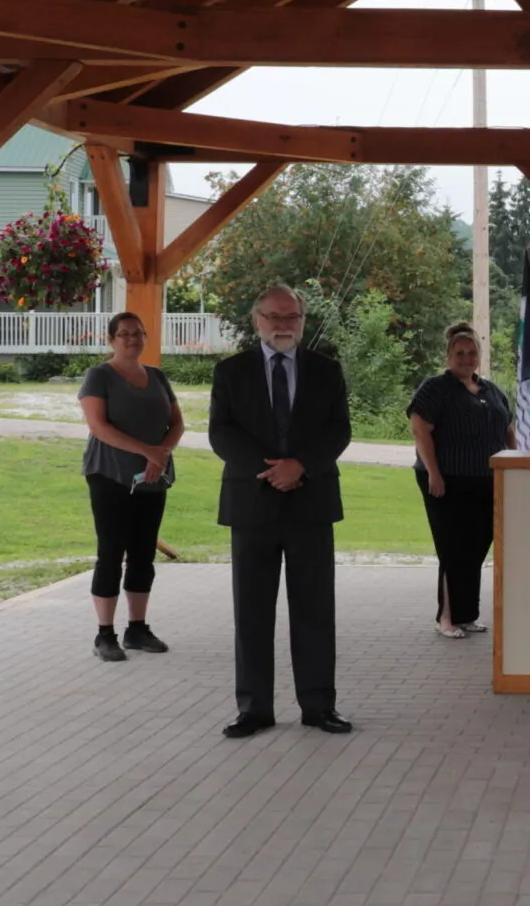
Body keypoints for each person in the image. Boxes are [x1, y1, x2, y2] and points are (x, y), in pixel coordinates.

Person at [210, 285, 354, 739]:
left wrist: (301, 467)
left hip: (311, 505)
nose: (283, 326)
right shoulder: (230, 372)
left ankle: (318, 706)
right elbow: (221, 434)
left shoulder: (327, 371)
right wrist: (272, 472)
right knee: (251, 612)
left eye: (291, 317)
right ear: (257, 320)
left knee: (314, 611)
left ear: (302, 321)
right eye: (274, 317)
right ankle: (253, 708)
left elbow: (339, 430)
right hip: (251, 506)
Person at [77, 312, 184, 662]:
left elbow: (177, 422)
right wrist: (148, 451)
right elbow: (98, 426)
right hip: (109, 474)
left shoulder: (156, 376)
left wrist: (161, 455)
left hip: (153, 477)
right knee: (111, 551)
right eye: (123, 334)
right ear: (111, 339)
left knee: (143, 552)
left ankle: (137, 628)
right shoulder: (99, 376)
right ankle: (104, 634)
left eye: (137, 333)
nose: (131, 339)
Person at [409, 322, 516, 639]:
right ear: (448, 355)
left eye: (471, 353)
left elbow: (507, 429)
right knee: (453, 548)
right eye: (460, 353)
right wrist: (434, 473)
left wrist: (518, 461)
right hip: (447, 479)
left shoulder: (491, 390)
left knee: (476, 548)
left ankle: (468, 615)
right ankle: (446, 617)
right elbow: (420, 430)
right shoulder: (435, 388)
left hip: (488, 480)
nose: (466, 359)